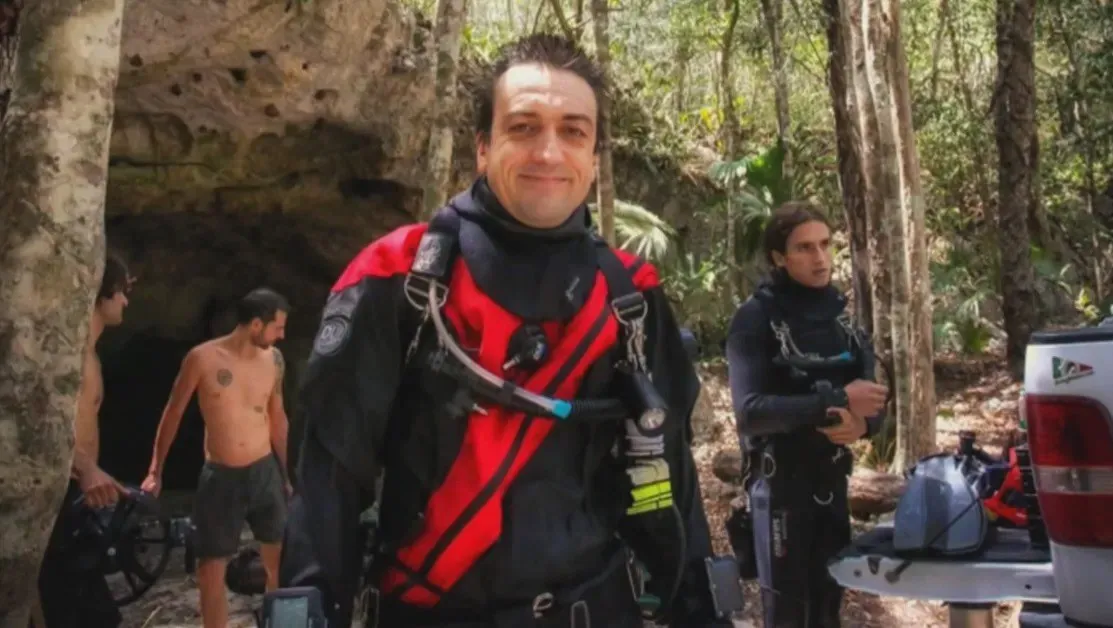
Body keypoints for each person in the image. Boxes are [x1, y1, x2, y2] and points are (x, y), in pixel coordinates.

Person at [277, 33, 739, 628]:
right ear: (482, 146)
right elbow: (329, 480)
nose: (549, 152)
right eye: (523, 127)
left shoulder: (631, 296)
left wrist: (701, 608)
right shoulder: (397, 277)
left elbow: (670, 474)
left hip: (595, 609)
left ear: (593, 156)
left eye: (573, 131)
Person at [725, 201, 888, 627]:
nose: (820, 257)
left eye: (825, 244)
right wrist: (835, 401)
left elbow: (874, 403)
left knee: (827, 610)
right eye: (804, 248)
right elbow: (749, 414)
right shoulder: (754, 319)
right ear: (779, 257)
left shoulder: (841, 321)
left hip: (831, 487)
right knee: (787, 614)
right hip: (780, 490)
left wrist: (861, 425)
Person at [141, 287, 292, 628]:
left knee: (280, 560)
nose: (282, 335)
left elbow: (278, 417)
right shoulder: (203, 358)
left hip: (264, 470)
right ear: (256, 324)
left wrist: (288, 474)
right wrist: (155, 470)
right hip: (221, 475)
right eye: (278, 327)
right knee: (210, 569)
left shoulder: (274, 360)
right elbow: (173, 413)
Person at [38, 252, 134, 628]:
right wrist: (86, 469)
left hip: (76, 497)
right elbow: (45, 428)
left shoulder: (91, 356)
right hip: (55, 496)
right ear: (102, 292)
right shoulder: (70, 357)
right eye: (121, 291)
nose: (125, 301)